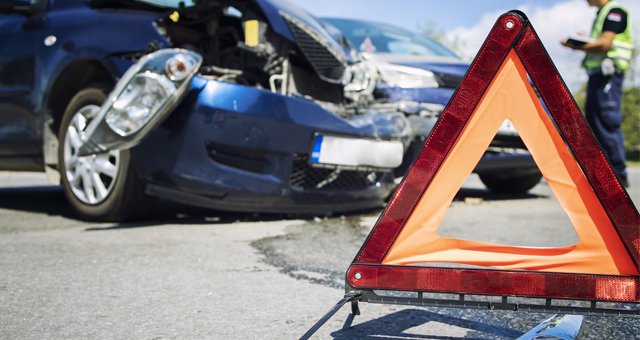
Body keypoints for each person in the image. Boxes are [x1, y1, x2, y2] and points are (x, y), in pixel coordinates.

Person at [562, 0, 634, 188]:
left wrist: (576, 46)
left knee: (606, 121)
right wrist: (586, 40)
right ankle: (604, 175)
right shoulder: (602, 14)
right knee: (595, 122)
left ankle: (617, 175)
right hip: (599, 76)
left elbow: (604, 44)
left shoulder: (614, 12)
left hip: (607, 77)